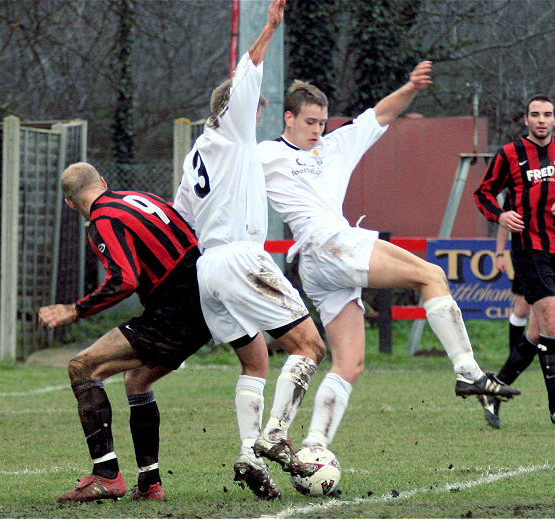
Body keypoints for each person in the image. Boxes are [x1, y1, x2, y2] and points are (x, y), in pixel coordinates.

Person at [258, 60, 519, 452]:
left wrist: (412, 87)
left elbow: (379, 114)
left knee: (350, 365)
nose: (317, 130)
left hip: (321, 264)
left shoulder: (335, 146)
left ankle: (314, 448)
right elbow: (224, 173)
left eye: (322, 122)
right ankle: (468, 372)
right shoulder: (266, 154)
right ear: (288, 117)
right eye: (310, 122)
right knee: (431, 275)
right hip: (327, 245)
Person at [173, 0, 326, 499]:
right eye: (255, 107)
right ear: (236, 108)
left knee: (256, 363)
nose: (257, 112)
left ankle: (246, 454)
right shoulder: (233, 128)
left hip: (208, 268)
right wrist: (268, 28)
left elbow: (182, 222)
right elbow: (247, 72)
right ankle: (276, 437)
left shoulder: (195, 153)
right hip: (241, 258)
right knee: (309, 347)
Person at [39, 162, 213, 503]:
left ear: (70, 203)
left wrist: (74, 310)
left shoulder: (102, 220)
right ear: (103, 182)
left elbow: (125, 279)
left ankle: (106, 476)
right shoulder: (137, 197)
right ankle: (150, 484)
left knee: (82, 367)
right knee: (137, 380)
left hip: (175, 309)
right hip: (206, 299)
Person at [474, 94, 555, 430]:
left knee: (538, 330)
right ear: (526, 120)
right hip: (528, 249)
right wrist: (501, 215)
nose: (541, 120)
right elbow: (483, 192)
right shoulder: (510, 154)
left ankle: (492, 390)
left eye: (547, 115)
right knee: (551, 326)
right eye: (534, 115)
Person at [480, 205, 555, 429]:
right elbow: (499, 213)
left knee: (537, 333)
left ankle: (493, 391)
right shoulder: (522, 178)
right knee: (545, 323)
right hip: (531, 254)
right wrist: (500, 252)